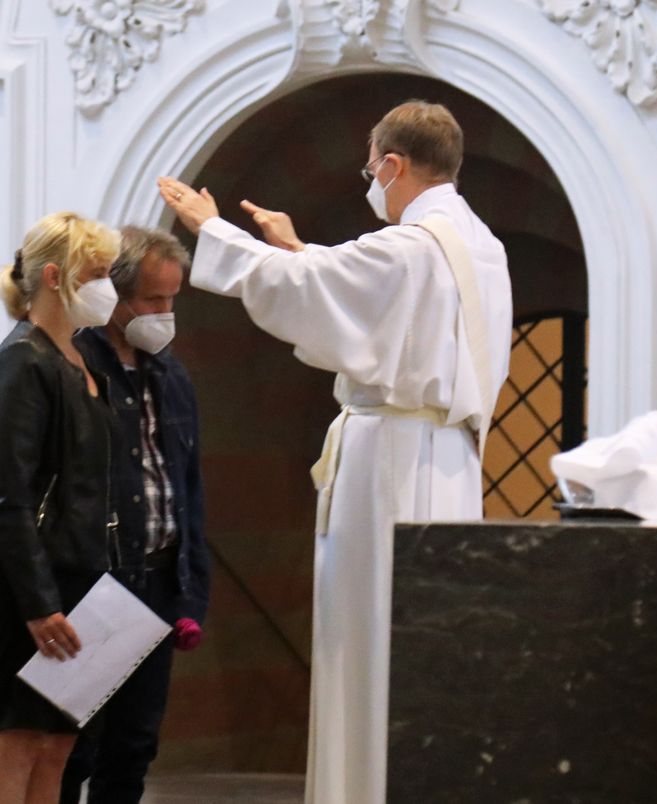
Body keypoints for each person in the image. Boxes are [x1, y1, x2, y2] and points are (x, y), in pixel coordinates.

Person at [159, 100, 512, 804]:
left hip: (388, 462)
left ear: (393, 164)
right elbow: (370, 305)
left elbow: (330, 294)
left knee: (367, 645)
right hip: (446, 460)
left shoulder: (410, 246)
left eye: (369, 169)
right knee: (424, 653)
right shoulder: (477, 244)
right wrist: (299, 252)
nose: (368, 184)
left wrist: (211, 230)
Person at [0, 211, 124, 804]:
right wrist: (39, 605)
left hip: (79, 570)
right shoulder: (20, 360)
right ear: (54, 276)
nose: (107, 286)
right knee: (18, 738)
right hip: (31, 581)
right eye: (96, 273)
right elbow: (8, 495)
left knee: (57, 744)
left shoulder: (82, 357)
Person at [59, 226, 211, 803]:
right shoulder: (71, 365)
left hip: (158, 581)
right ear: (116, 296)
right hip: (96, 584)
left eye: (173, 298)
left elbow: (187, 486)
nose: (165, 312)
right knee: (74, 746)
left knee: (134, 745)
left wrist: (190, 592)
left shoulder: (171, 374)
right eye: (153, 299)